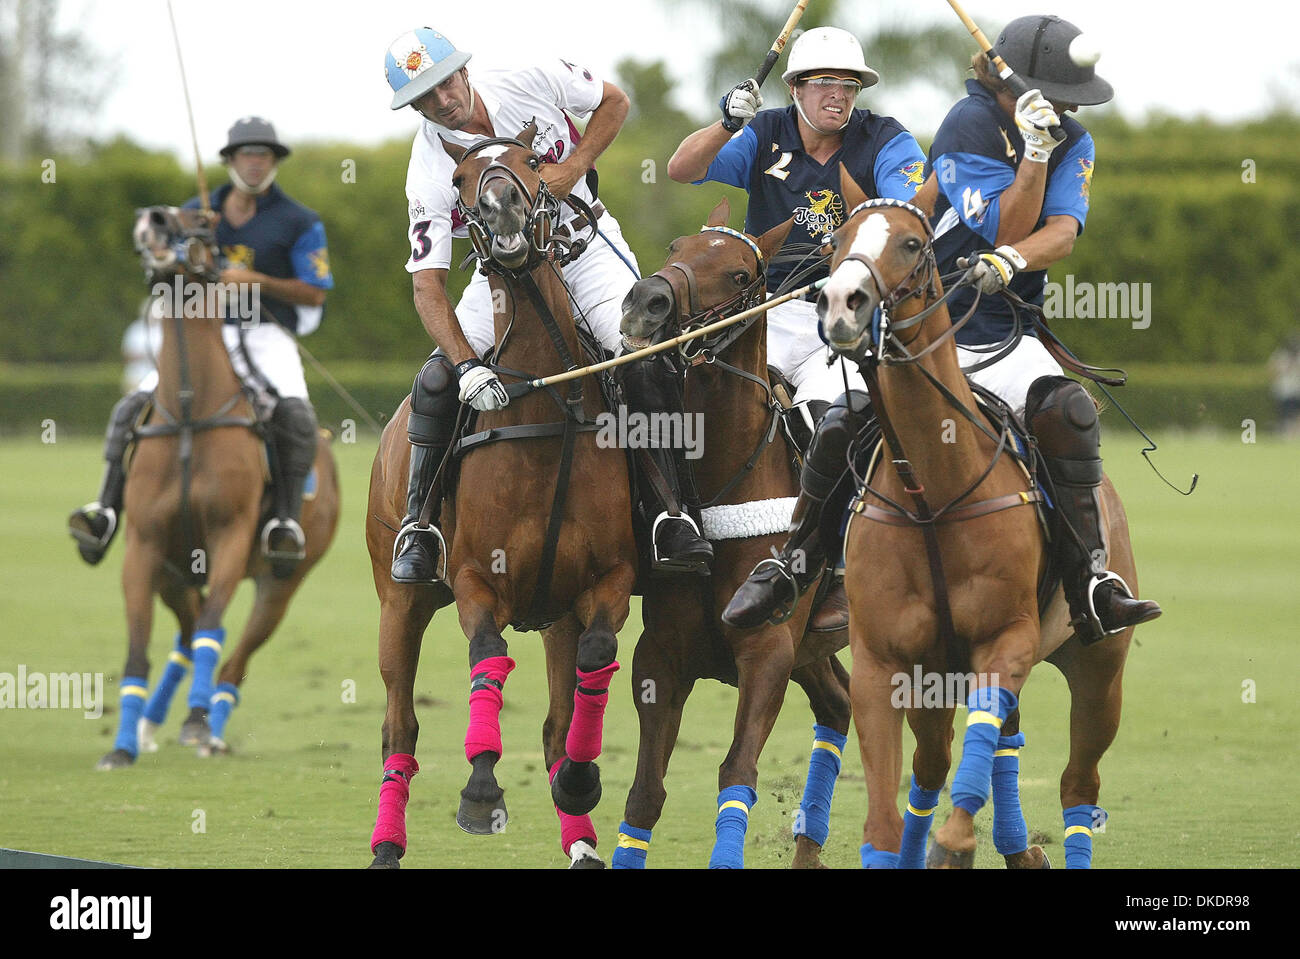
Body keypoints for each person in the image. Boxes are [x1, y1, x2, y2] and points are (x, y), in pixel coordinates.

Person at [725, 14, 1161, 644]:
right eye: (1058, 96)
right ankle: (799, 563)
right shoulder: (969, 124)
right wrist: (1030, 162)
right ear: (1014, 85)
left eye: (1071, 101)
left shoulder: (1074, 139)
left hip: (1009, 328)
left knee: (1068, 413)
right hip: (931, 330)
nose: (1065, 109)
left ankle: (1091, 580)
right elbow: (1006, 225)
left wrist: (1017, 251)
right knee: (844, 417)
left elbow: (1059, 231)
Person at [384, 27, 712, 587]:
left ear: (463, 71)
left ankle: (669, 514)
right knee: (436, 380)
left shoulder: (527, 77)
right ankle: (420, 526)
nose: (442, 102)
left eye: (445, 83)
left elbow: (615, 101)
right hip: (502, 279)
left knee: (641, 351)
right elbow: (428, 287)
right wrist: (467, 365)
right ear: (414, 105)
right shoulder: (428, 169)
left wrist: (577, 164)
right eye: (424, 96)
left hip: (584, 250)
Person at [669, 26, 927, 631]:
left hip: (839, 314)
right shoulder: (764, 133)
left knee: (828, 420)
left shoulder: (885, 138)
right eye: (826, 84)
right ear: (794, 87)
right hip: (762, 310)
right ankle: (671, 531)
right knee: (684, 395)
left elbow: (903, 211)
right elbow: (682, 169)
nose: (839, 95)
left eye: (850, 85)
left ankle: (829, 566)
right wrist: (726, 123)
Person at [68, 116, 333, 577]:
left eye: (264, 155)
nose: (255, 163)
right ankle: (106, 510)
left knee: (295, 411)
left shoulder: (300, 221)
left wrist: (258, 281)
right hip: (204, 333)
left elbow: (315, 291)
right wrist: (169, 249)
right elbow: (154, 255)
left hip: (266, 335)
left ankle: (286, 521)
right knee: (134, 404)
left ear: (274, 162)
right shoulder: (195, 213)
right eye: (246, 154)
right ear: (230, 161)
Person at [1268, 333, 1300, 438]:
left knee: (1295, 413)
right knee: (1284, 413)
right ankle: (1286, 433)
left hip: (1296, 389)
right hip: (1283, 390)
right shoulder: (1280, 355)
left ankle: (1295, 432)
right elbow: (1271, 370)